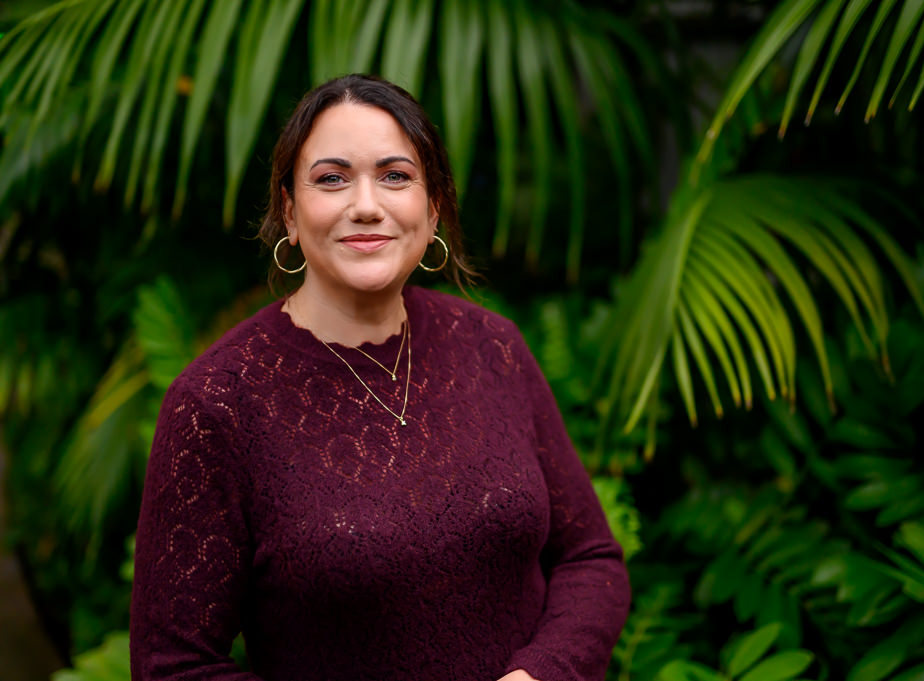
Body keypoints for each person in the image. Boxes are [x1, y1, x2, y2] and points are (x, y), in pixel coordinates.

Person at [129, 74, 630, 681]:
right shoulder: (217, 403)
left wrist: (539, 676)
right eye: (331, 179)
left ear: (433, 206)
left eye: (395, 176)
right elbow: (173, 666)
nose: (366, 204)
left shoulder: (493, 347)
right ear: (289, 211)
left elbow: (589, 559)